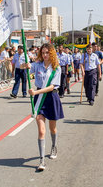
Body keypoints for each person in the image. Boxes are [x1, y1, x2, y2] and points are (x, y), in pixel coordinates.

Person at [24, 43, 64, 171]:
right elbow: (24, 70)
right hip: (39, 100)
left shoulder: (56, 68)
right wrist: (26, 65)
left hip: (51, 98)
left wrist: (36, 92)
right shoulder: (37, 65)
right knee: (41, 130)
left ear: (51, 53)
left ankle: (54, 146)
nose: (45, 55)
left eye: (47, 52)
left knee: (53, 128)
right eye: (43, 52)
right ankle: (41, 160)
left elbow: (52, 86)